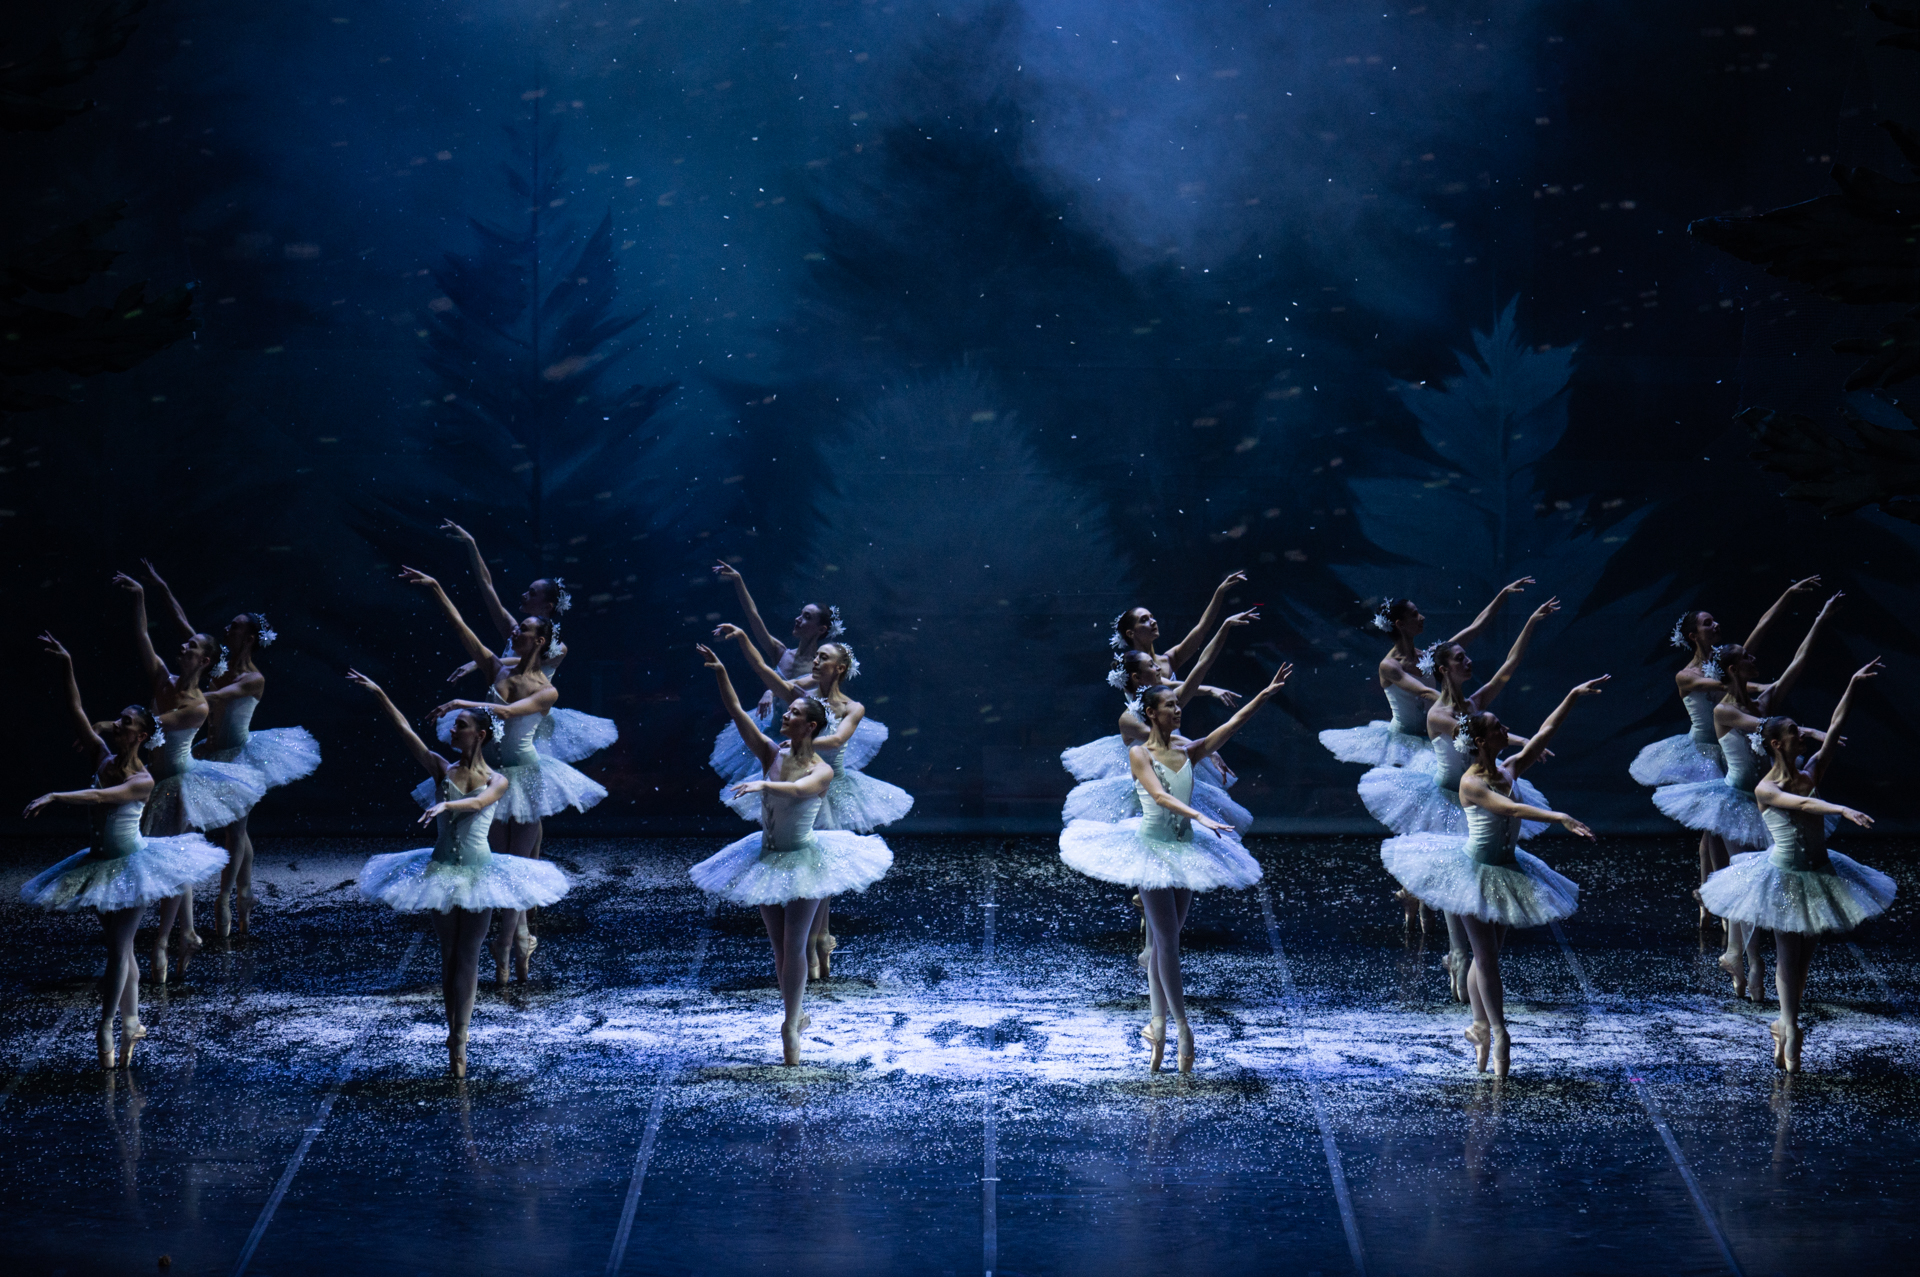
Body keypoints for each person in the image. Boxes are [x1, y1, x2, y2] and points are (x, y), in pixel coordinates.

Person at [1059, 662, 1294, 1074]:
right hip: (1150, 850)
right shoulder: (1139, 753)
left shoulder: (1188, 751)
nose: (1177, 709)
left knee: (1166, 944)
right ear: (1151, 713)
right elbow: (1159, 796)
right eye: (1169, 705)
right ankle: (1182, 1028)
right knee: (1166, 941)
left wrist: (1264, 694)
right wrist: (1200, 816)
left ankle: (1156, 1024)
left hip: (1185, 849)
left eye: (1177, 704)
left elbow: (1233, 724)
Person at [1381, 677, 1609, 1077]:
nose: (1506, 730)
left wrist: (1572, 695)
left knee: (1487, 958)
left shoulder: (1509, 768)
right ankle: (1500, 1033)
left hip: (1507, 870)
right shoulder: (1471, 782)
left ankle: (1479, 1027)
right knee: (1486, 959)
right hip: (1472, 873)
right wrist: (1559, 816)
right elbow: (1510, 810)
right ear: (1481, 741)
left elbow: (1543, 734)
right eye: (1498, 727)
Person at [21, 635, 226, 1068]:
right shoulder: (101, 758)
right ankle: (132, 1021)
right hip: (98, 865)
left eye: (126, 722)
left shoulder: (143, 780)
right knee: (122, 948)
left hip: (134, 866)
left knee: (118, 949)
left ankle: (106, 1026)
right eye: (118, 720)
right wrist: (68, 663)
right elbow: (77, 711)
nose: (117, 725)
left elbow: (100, 798)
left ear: (142, 735)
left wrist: (56, 796)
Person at [351, 672, 568, 1077]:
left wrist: (447, 806)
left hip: (480, 874)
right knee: (448, 955)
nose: (453, 731)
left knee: (468, 953)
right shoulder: (440, 768)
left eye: (461, 726)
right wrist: (380, 692)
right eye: (454, 726)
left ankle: (461, 1039)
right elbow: (405, 732)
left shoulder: (498, 780)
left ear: (481, 735)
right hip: (441, 872)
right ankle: (452, 1032)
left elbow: (480, 803)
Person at [687, 645, 891, 1066]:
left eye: (794, 712)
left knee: (795, 944)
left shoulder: (821, 768)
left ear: (810, 725)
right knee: (780, 948)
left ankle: (790, 1026)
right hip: (765, 859)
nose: (786, 714)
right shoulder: (770, 752)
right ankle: (794, 1019)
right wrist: (722, 671)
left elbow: (800, 790)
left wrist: (764, 785)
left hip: (804, 862)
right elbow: (737, 713)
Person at [402, 566, 604, 983]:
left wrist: (464, 702)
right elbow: (462, 629)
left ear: (540, 640)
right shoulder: (495, 668)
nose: (516, 631)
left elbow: (510, 713)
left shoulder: (546, 689)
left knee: (520, 865)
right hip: (491, 774)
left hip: (526, 776)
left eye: (524, 630)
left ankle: (509, 942)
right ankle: (510, 942)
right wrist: (437, 587)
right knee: (495, 861)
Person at [1700, 661, 1894, 1073]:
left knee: (1804, 958)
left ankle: (1784, 1025)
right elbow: (1803, 804)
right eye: (1793, 732)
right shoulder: (1766, 788)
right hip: (1783, 878)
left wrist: (1852, 684)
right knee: (1789, 954)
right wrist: (1840, 808)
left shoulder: (1810, 771)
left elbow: (1835, 728)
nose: (1801, 735)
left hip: (1819, 873)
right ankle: (1790, 1027)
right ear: (1775, 743)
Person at [1654, 593, 1843, 995]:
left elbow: (1796, 665)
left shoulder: (1761, 699)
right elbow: (1762, 727)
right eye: (1747, 658)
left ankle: (1739, 953)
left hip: (1763, 800)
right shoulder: (1723, 710)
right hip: (1735, 801)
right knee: (1743, 880)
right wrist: (1812, 732)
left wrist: (1820, 618)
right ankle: (1749, 960)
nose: (1755, 658)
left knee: (1762, 879)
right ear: (1734, 668)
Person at [714, 624, 910, 977]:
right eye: (816, 656)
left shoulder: (851, 707)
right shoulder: (802, 696)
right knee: (806, 863)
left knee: (820, 864)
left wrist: (802, 742)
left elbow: (836, 741)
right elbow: (767, 673)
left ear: (840, 668)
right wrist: (742, 640)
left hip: (827, 782)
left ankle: (819, 942)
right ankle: (808, 947)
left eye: (823, 657)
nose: (815, 661)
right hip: (796, 777)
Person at [141, 561, 320, 938]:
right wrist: (161, 587)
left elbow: (214, 697)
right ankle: (244, 891)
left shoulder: (253, 678)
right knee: (220, 827)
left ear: (250, 637)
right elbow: (184, 624)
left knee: (235, 828)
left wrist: (181, 697)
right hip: (208, 752)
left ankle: (225, 898)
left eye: (235, 626)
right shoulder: (217, 659)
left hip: (240, 757)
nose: (227, 629)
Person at [1630, 577, 1823, 922]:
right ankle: (1712, 900)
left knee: (1721, 827)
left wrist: (1787, 595)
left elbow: (1760, 629)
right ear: (1693, 635)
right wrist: (1762, 685)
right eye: (1708, 623)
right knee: (1713, 828)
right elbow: (1727, 681)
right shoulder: (1688, 675)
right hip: (1703, 751)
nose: (1716, 625)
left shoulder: (1726, 659)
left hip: (1731, 748)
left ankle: (1718, 898)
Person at [112, 573, 263, 983]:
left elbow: (153, 724)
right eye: (186, 644)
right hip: (153, 779)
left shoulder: (202, 701)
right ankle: (186, 931)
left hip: (180, 782)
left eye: (192, 647)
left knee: (180, 860)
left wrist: (106, 726)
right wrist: (146, 594)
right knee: (164, 860)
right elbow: (146, 634)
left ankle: (173, 935)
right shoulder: (165, 676)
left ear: (204, 661)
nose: (183, 647)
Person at [439, 521, 619, 767]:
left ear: (548, 606)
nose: (524, 595)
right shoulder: (514, 630)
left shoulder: (558, 648)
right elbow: (487, 586)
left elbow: (527, 663)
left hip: (528, 717)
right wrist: (472, 545)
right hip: (501, 708)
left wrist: (479, 662)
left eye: (533, 593)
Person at [1318, 579, 1535, 770]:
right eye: (1415, 615)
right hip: (1403, 740)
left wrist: (1502, 595)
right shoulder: (1390, 666)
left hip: (1436, 732)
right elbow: (1424, 692)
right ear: (1400, 625)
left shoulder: (1430, 656)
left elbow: (1475, 627)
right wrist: (1459, 708)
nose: (1422, 617)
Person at [708, 561, 840, 786]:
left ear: (821, 629)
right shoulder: (781, 653)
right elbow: (753, 616)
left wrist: (771, 690)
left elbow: (797, 687)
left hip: (801, 737)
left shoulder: (821, 666)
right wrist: (738, 580)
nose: (798, 619)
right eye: (800, 614)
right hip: (773, 730)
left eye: (807, 617)